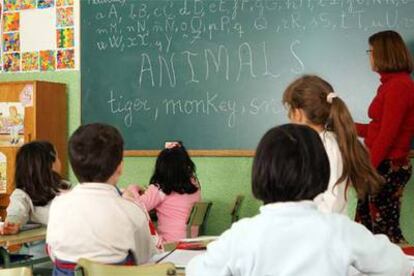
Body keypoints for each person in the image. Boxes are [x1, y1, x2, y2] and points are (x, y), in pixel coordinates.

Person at [186, 124, 411, 276]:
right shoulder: (339, 229)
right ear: (322, 173)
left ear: (260, 174)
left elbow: (196, 271)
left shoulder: (243, 234)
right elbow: (398, 265)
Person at [46, 123, 157, 275]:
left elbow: (53, 253)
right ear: (120, 167)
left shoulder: (58, 206)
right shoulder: (132, 212)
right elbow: (146, 260)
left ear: (73, 166)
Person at [282, 75, 382, 214]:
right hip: (321, 226)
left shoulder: (326, 146)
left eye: (289, 109)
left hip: (325, 229)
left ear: (297, 113)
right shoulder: (326, 142)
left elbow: (331, 201)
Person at [355, 30, 414, 243]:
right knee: (370, 231)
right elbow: (379, 129)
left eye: (371, 51)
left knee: (384, 235)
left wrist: (366, 169)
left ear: (383, 53)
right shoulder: (390, 85)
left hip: (387, 167)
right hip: (382, 165)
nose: (369, 56)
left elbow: (388, 135)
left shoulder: (399, 86)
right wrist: (347, 127)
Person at [125, 141, 201, 243]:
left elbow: (137, 207)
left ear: (161, 168)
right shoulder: (194, 185)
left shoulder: (161, 188)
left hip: (169, 244)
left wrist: (133, 187)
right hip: (190, 242)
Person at [0, 141, 69, 235]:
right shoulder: (22, 194)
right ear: (50, 164)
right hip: (38, 247)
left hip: (66, 242)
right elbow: (16, 212)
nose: (60, 161)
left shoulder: (65, 187)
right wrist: (12, 223)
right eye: (57, 157)